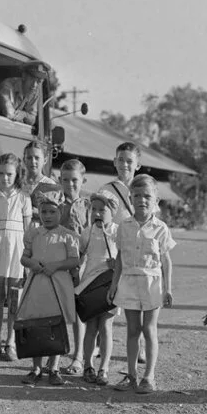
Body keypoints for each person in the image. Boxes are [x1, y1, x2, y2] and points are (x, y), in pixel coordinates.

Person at [107, 174, 175, 394]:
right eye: (137, 195)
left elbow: (166, 261)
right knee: (133, 330)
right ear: (131, 197)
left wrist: (168, 288)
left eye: (147, 196)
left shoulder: (161, 228)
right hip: (128, 282)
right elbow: (119, 260)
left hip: (152, 283)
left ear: (155, 200)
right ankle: (131, 375)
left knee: (149, 329)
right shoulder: (123, 227)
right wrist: (113, 285)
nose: (142, 200)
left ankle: (149, 376)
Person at [18, 189, 80, 386]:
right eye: (44, 212)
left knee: (55, 326)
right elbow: (24, 257)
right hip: (37, 285)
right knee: (36, 324)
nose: (47, 216)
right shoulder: (34, 234)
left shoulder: (68, 236)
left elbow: (74, 260)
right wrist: (32, 263)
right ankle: (36, 367)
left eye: (52, 212)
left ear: (60, 212)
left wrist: (57, 265)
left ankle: (54, 367)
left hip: (58, 286)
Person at [97, 141, 147, 364]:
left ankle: (141, 347)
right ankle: (100, 343)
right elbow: (100, 221)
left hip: (138, 254)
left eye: (130, 161)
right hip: (113, 253)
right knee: (108, 303)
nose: (125, 165)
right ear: (114, 162)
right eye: (121, 160)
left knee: (139, 303)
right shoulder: (106, 190)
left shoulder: (145, 188)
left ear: (138, 164)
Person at [0, 153, 32, 362]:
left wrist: (28, 258)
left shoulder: (24, 198)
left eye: (9, 174)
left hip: (17, 253)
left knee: (13, 301)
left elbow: (28, 232)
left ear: (17, 174)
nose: (5, 178)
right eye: (1, 173)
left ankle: (11, 342)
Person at [76, 193, 119, 386]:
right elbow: (81, 255)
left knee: (106, 327)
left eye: (103, 209)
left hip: (110, 285)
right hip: (90, 284)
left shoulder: (118, 232)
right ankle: (88, 366)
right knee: (91, 327)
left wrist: (116, 264)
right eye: (94, 209)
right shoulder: (87, 232)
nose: (98, 213)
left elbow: (124, 258)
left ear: (113, 212)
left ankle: (104, 368)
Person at [58, 159, 91, 375]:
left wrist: (83, 263)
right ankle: (56, 356)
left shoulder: (88, 206)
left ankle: (78, 357)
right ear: (60, 181)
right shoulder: (56, 205)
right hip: (59, 263)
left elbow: (91, 236)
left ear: (83, 181)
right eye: (66, 180)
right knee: (59, 311)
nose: (70, 184)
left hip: (81, 264)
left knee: (79, 313)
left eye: (75, 180)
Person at [0, 60, 51, 125]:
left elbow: (32, 119)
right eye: (32, 79)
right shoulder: (7, 86)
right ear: (24, 76)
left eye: (38, 81)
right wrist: (24, 118)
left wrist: (24, 115)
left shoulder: (34, 92)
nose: (34, 85)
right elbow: (10, 115)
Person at [21, 140, 59, 227]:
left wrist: (30, 211)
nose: (33, 161)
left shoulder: (50, 185)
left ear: (45, 160)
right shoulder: (18, 184)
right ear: (24, 160)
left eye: (37, 158)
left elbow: (55, 213)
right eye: (29, 158)